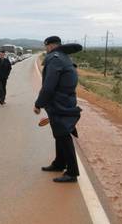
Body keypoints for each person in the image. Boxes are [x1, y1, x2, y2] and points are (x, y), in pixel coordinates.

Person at [34, 36, 82, 183]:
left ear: (50, 46)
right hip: (64, 101)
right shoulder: (63, 57)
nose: (45, 49)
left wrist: (38, 103)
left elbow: (49, 86)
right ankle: (59, 163)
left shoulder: (54, 59)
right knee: (60, 134)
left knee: (63, 136)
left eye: (45, 47)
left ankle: (72, 172)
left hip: (59, 103)